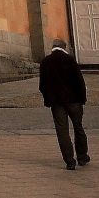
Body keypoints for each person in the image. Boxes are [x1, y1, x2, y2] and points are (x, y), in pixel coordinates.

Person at [38, 38, 89, 170]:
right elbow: (79, 81)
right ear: (64, 47)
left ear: (53, 47)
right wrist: (82, 98)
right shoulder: (70, 59)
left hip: (57, 102)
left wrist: (48, 99)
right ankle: (82, 156)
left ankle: (69, 161)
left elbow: (42, 85)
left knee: (62, 131)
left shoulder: (45, 61)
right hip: (74, 100)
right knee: (78, 127)